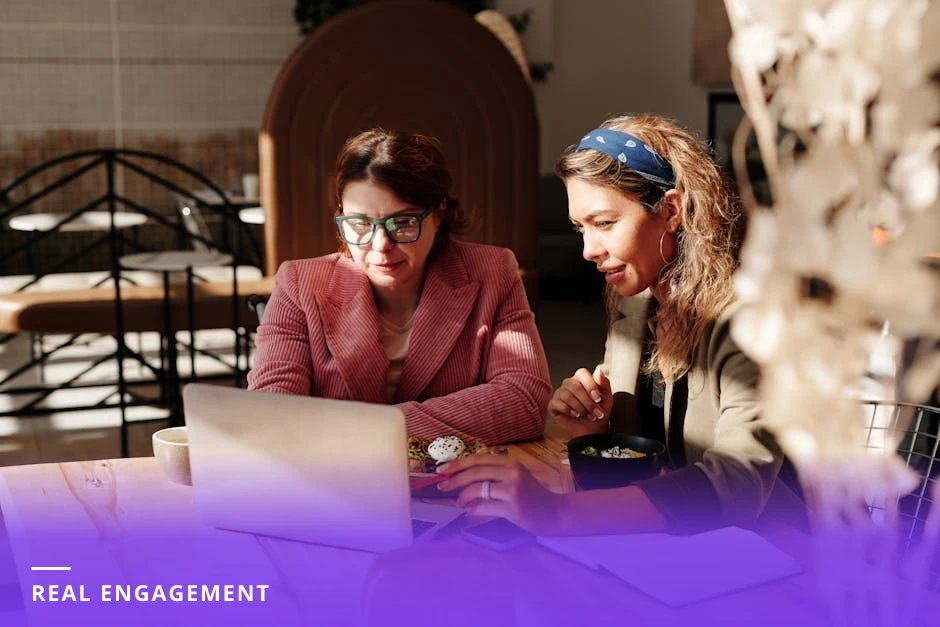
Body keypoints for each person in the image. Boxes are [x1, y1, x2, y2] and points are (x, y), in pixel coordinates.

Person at [437, 113, 804, 534]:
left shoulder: (754, 321)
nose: (588, 250)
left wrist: (557, 512)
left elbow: (737, 485)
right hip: (663, 550)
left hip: (766, 557)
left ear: (670, 210)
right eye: (580, 228)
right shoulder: (636, 303)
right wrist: (596, 429)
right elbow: (648, 461)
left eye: (605, 224)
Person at [248, 129, 551, 444]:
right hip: (339, 486)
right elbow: (273, 414)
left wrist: (377, 428)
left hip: (455, 483)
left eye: (404, 222)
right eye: (360, 224)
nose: (381, 245)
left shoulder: (492, 272)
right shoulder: (299, 284)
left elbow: (524, 401)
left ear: (438, 213)